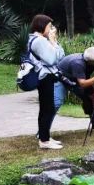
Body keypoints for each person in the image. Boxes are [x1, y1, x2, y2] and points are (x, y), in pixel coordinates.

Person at [28, 14, 65, 149]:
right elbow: (51, 60)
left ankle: (45, 137)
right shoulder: (39, 41)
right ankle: (44, 141)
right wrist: (53, 42)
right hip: (44, 77)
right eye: (49, 26)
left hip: (46, 77)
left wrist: (53, 42)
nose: (51, 30)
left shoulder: (42, 39)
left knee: (46, 109)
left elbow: (61, 56)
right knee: (47, 109)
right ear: (42, 26)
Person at [57, 46, 94, 131]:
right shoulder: (77, 63)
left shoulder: (92, 61)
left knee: (93, 96)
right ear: (90, 61)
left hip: (76, 79)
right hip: (60, 79)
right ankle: (43, 133)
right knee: (55, 103)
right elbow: (83, 84)